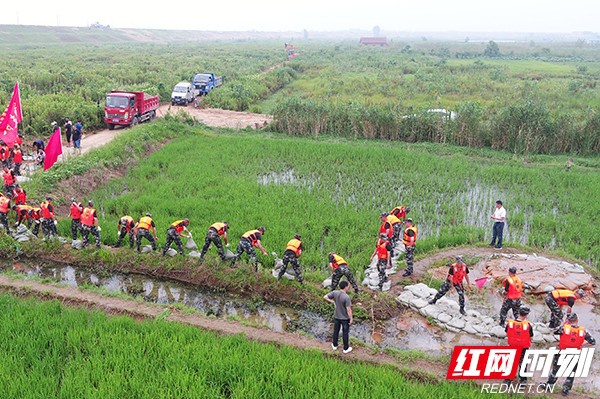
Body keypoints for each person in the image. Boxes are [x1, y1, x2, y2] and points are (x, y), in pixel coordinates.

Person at [541, 313, 596, 396]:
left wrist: (564, 323)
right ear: (577, 320)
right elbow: (593, 342)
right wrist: (582, 346)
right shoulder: (583, 331)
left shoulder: (564, 328)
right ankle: (566, 389)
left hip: (562, 352)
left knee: (556, 369)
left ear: (568, 321)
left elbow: (554, 331)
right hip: (575, 353)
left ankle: (549, 385)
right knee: (571, 371)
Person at [504, 306, 533, 386]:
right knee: (523, 363)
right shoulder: (528, 325)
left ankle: (507, 380)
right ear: (526, 315)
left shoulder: (510, 324)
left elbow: (507, 333)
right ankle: (523, 381)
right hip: (523, 347)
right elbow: (531, 337)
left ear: (519, 312)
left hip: (512, 346)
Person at [324, 280, 353, 354]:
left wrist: (333, 302)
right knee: (345, 333)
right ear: (346, 287)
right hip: (344, 318)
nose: (348, 287)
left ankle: (334, 345)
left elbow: (325, 297)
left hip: (336, 316)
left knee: (336, 331)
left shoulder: (335, 293)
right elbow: (348, 310)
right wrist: (351, 318)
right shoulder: (346, 297)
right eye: (348, 286)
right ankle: (345, 348)